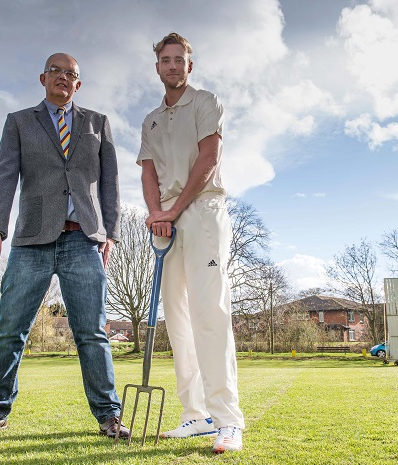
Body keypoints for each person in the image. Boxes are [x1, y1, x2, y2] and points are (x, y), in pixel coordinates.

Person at [0, 52, 128, 439]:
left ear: (78, 84)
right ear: (42, 78)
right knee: (11, 328)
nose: (64, 77)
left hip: (83, 238)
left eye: (72, 74)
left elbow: (110, 182)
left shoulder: (97, 123)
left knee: (93, 332)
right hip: (32, 240)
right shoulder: (18, 123)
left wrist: (110, 232)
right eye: (57, 72)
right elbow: (4, 176)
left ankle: (109, 416)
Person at [137, 32, 245, 453]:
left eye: (180, 59)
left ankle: (228, 420)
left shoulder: (205, 102)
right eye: (166, 60)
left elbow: (208, 158)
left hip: (201, 212)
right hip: (166, 221)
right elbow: (148, 173)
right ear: (158, 67)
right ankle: (194, 415)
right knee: (177, 320)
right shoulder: (150, 120)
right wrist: (156, 215)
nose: (173, 65)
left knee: (209, 313)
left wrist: (174, 209)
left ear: (189, 66)